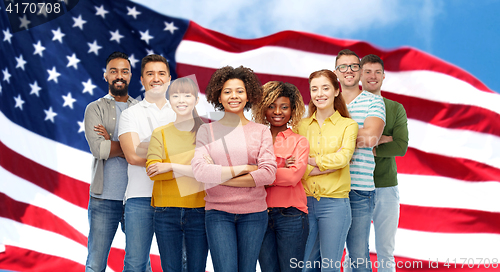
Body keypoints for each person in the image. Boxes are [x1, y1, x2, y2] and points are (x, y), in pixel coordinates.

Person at [191, 65, 277, 272]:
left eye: (239, 91)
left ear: (248, 96)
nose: (233, 96)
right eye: (227, 92)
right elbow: (200, 171)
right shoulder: (206, 130)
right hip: (218, 212)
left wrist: (219, 176)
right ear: (218, 97)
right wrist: (246, 168)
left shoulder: (261, 130)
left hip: (254, 214)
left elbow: (268, 173)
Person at [296, 70, 358, 272]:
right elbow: (292, 163)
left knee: (329, 267)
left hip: (335, 205)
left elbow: (343, 158)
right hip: (304, 204)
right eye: (314, 89)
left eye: (325, 88)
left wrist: (310, 162)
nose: (319, 93)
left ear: (336, 91)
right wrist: (321, 165)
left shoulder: (348, 125)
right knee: (305, 267)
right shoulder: (300, 126)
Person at [118, 54, 176, 272]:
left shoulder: (183, 113)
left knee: (177, 264)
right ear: (141, 80)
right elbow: (132, 156)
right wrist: (169, 163)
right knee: (135, 263)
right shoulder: (130, 114)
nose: (156, 78)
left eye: (161, 73)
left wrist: (150, 148)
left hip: (174, 198)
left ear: (169, 79)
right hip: (139, 197)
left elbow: (190, 156)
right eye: (150, 74)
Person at [145, 76, 208, 272]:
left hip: (200, 209)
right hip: (165, 211)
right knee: (171, 269)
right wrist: (192, 168)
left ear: (196, 100)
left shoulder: (207, 132)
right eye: (175, 95)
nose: (181, 100)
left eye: (187, 95)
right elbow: (154, 172)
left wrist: (170, 166)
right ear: (169, 100)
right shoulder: (160, 132)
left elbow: (208, 173)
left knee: (196, 269)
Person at [83, 51, 137, 271]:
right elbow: (100, 149)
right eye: (113, 71)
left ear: (131, 76)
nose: (119, 75)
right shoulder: (94, 109)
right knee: (95, 264)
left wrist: (112, 141)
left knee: (139, 264)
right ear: (105, 75)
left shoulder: (142, 110)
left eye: (124, 71)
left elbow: (151, 149)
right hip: (103, 198)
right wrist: (130, 148)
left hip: (136, 199)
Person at [335, 49, 386, 272]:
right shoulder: (326, 100)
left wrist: (334, 135)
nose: (349, 71)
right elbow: (312, 139)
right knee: (322, 254)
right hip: (328, 188)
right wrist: (357, 131)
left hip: (360, 189)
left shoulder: (374, 102)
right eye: (343, 67)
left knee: (358, 256)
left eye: (354, 66)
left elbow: (371, 137)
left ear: (360, 71)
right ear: (336, 72)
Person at [253, 81, 310, 272]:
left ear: (293, 110)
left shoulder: (299, 141)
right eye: (271, 106)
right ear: (263, 109)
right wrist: (280, 165)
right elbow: (247, 175)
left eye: (284, 107)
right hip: (259, 215)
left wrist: (263, 173)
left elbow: (293, 177)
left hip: (291, 215)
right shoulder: (255, 140)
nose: (278, 111)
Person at [360, 54, 409, 272]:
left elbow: (400, 146)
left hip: (386, 187)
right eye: (368, 72)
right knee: (356, 250)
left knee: (386, 251)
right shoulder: (349, 106)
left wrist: (367, 143)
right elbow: (343, 142)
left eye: (377, 72)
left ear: (383, 76)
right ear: (360, 75)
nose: (372, 76)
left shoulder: (395, 108)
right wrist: (382, 139)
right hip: (355, 186)